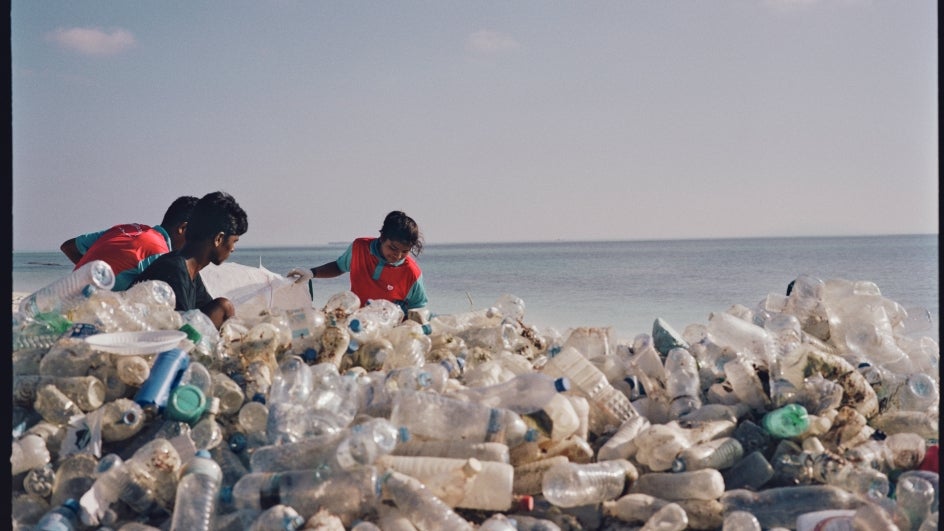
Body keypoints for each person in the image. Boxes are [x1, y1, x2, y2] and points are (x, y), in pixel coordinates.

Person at [133, 191, 249, 329]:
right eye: (234, 241)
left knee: (223, 309)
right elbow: (181, 331)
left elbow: (208, 310)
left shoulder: (190, 269)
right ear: (218, 239)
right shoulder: (174, 270)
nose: (233, 249)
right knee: (224, 306)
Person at [287, 210, 429, 315]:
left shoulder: (411, 273)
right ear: (382, 237)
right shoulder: (360, 248)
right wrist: (312, 273)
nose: (398, 255)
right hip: (355, 322)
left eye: (405, 251)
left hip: (387, 331)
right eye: (393, 248)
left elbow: (418, 308)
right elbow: (339, 266)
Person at [60, 196, 199, 291]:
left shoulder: (129, 229)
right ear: (183, 229)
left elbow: (69, 246)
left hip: (63, 296)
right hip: (89, 314)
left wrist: (94, 274)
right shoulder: (159, 253)